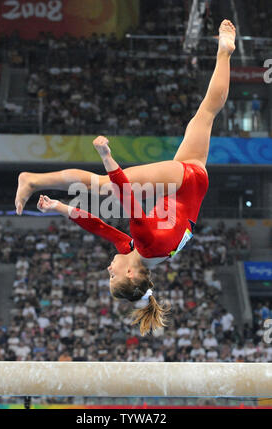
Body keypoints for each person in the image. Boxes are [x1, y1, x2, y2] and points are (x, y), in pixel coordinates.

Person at [16, 20, 236, 335]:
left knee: (206, 113)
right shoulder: (147, 245)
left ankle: (224, 54)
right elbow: (129, 201)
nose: (108, 269)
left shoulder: (141, 252)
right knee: (105, 186)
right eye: (112, 276)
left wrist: (60, 208)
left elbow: (99, 226)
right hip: (184, 182)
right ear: (131, 274)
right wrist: (109, 160)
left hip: (192, 184)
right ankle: (33, 179)